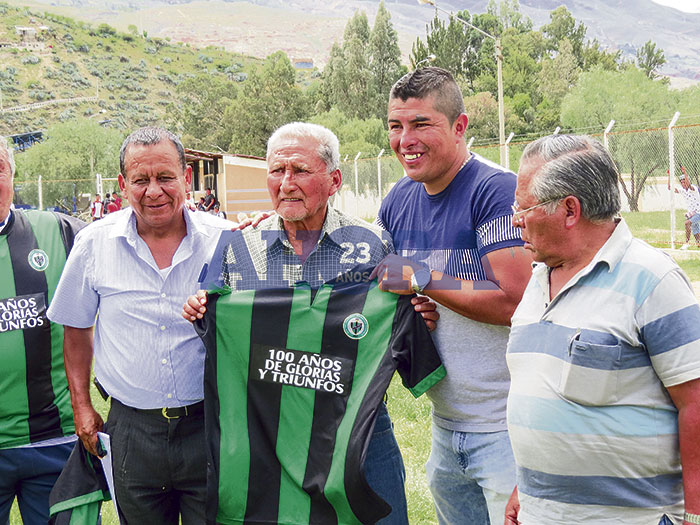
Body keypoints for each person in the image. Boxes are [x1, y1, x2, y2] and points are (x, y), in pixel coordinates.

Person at [183, 122, 439, 524]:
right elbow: (218, 331)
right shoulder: (237, 248)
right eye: (277, 171)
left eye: (300, 170)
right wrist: (200, 307)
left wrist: (416, 312)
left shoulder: (373, 245)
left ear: (334, 180)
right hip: (267, 437)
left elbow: (397, 318)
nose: (286, 183)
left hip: (358, 429)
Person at [505, 134, 700, 525]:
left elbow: (695, 402)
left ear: (570, 210)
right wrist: (525, 487)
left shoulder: (653, 281)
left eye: (524, 208)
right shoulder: (539, 279)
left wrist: (695, 514)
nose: (515, 220)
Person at [46, 127, 235, 524]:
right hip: (132, 430)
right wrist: (82, 407)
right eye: (140, 180)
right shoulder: (93, 243)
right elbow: (76, 330)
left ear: (186, 176)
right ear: (122, 184)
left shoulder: (226, 240)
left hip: (211, 424)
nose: (154, 191)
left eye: (165, 177)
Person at [373, 67, 532, 524]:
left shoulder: (495, 190)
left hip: (507, 428)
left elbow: (515, 300)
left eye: (421, 124)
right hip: (445, 425)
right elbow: (380, 281)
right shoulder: (398, 198)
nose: (405, 140)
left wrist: (425, 280)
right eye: (395, 126)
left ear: (460, 126)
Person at [0, 135, 86, 523]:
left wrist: (248, 231)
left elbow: (132, 236)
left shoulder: (58, 231)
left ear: (12, 176)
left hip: (54, 440)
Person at [669, 166, 700, 250]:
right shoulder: (682, 190)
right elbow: (670, 188)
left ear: (688, 181)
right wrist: (669, 176)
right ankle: (698, 242)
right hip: (691, 214)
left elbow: (689, 185)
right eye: (681, 182)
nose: (683, 184)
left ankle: (687, 242)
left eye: (684, 182)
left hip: (698, 212)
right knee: (696, 231)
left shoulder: (693, 188)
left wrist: (684, 172)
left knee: (687, 223)